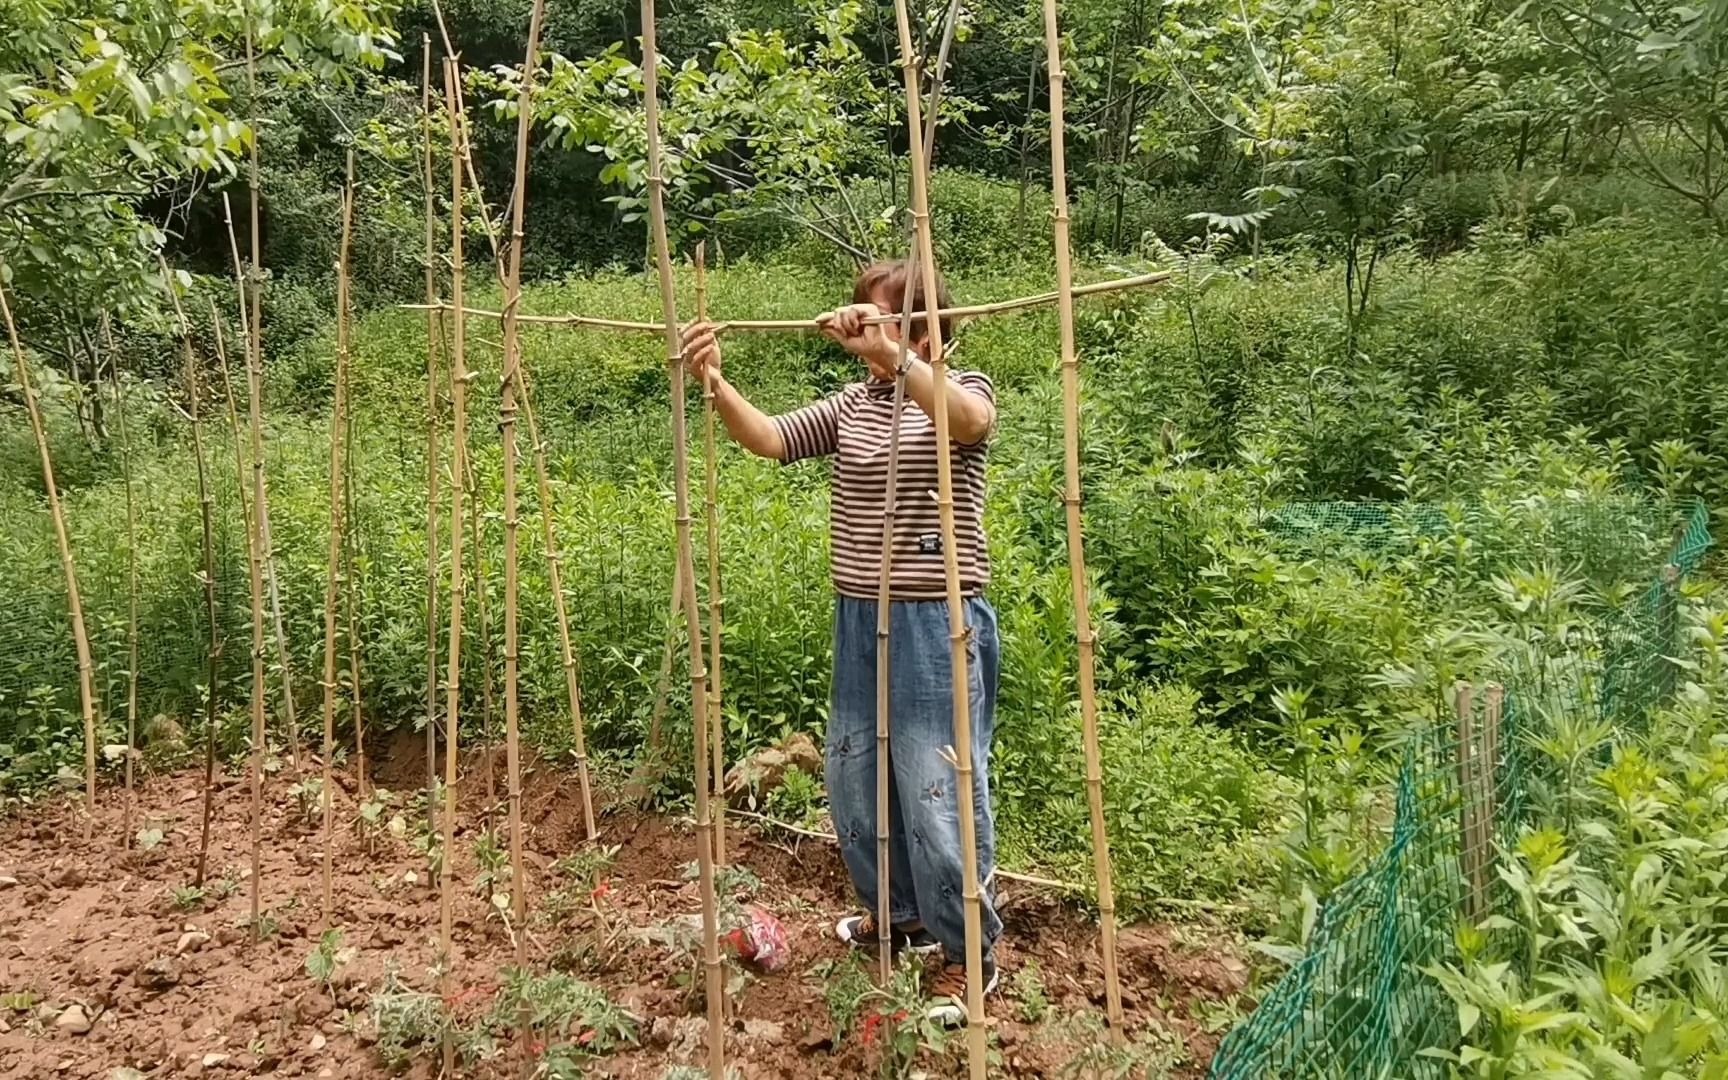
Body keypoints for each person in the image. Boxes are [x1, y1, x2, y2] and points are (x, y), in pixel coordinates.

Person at [680, 259, 1001, 1025]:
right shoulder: (855, 406)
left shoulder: (962, 387)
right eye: (859, 312)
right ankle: (899, 916)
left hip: (936, 621)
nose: (860, 324)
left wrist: (900, 358)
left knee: (937, 790)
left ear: (922, 325)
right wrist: (717, 381)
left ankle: (971, 954)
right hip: (861, 614)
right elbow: (768, 439)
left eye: (878, 313)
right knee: (858, 781)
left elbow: (968, 423)